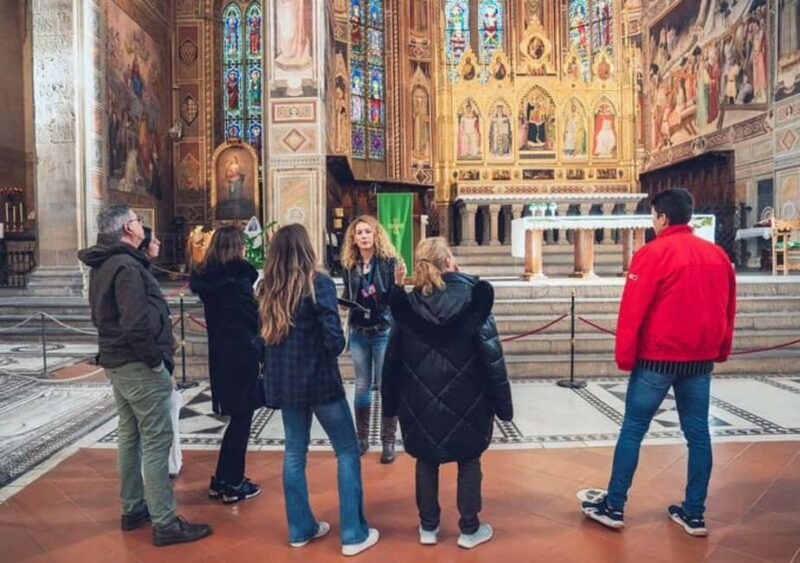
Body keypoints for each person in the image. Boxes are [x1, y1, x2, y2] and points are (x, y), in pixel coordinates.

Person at [580, 188, 736, 537]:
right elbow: (728, 308)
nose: (653, 223)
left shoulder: (653, 253)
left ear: (662, 217)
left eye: (653, 217)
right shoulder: (717, 255)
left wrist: (625, 356)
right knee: (698, 434)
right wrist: (721, 349)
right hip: (699, 359)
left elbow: (633, 311)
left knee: (634, 429)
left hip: (657, 359)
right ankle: (694, 513)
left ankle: (614, 505)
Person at [77, 204, 212, 547]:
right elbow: (135, 323)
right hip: (138, 365)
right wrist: (156, 362)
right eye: (138, 221)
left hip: (118, 362)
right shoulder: (125, 266)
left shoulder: (107, 263)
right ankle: (165, 522)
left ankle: (133, 507)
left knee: (130, 435)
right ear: (127, 229)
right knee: (156, 439)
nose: (142, 226)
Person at [382, 237, 513, 549]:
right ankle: (469, 528)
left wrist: (390, 403)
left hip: (419, 401)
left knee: (426, 460)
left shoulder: (409, 306)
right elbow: (492, 358)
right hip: (469, 399)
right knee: (469, 459)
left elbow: (393, 359)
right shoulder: (473, 300)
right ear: (451, 262)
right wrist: (503, 405)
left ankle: (428, 527)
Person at [259, 224, 379, 556]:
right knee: (346, 451)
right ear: (305, 248)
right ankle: (353, 534)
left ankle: (300, 528)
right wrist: (340, 326)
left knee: (295, 452)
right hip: (320, 382)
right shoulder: (318, 282)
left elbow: (265, 339)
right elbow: (334, 342)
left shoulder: (267, 287)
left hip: (286, 383)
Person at [190, 225, 262, 504]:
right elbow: (254, 320)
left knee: (237, 419)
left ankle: (222, 479)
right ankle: (231, 483)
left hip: (221, 356)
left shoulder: (211, 283)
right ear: (237, 248)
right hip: (242, 356)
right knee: (241, 420)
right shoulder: (238, 284)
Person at [340, 216, 399, 463]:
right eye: (359, 233)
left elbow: (393, 297)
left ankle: (388, 442)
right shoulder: (349, 264)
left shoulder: (387, 263)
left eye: (367, 232)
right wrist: (343, 303)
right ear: (353, 238)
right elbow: (349, 293)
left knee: (386, 386)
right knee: (362, 386)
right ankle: (362, 438)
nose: (363, 236)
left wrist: (398, 282)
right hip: (359, 332)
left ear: (376, 235)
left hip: (382, 329)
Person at [138, 227, 182, 479]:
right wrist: (157, 361)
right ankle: (159, 506)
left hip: (159, 353)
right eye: (153, 239)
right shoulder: (136, 272)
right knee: (156, 428)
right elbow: (139, 321)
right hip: (152, 358)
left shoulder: (143, 270)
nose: (158, 242)